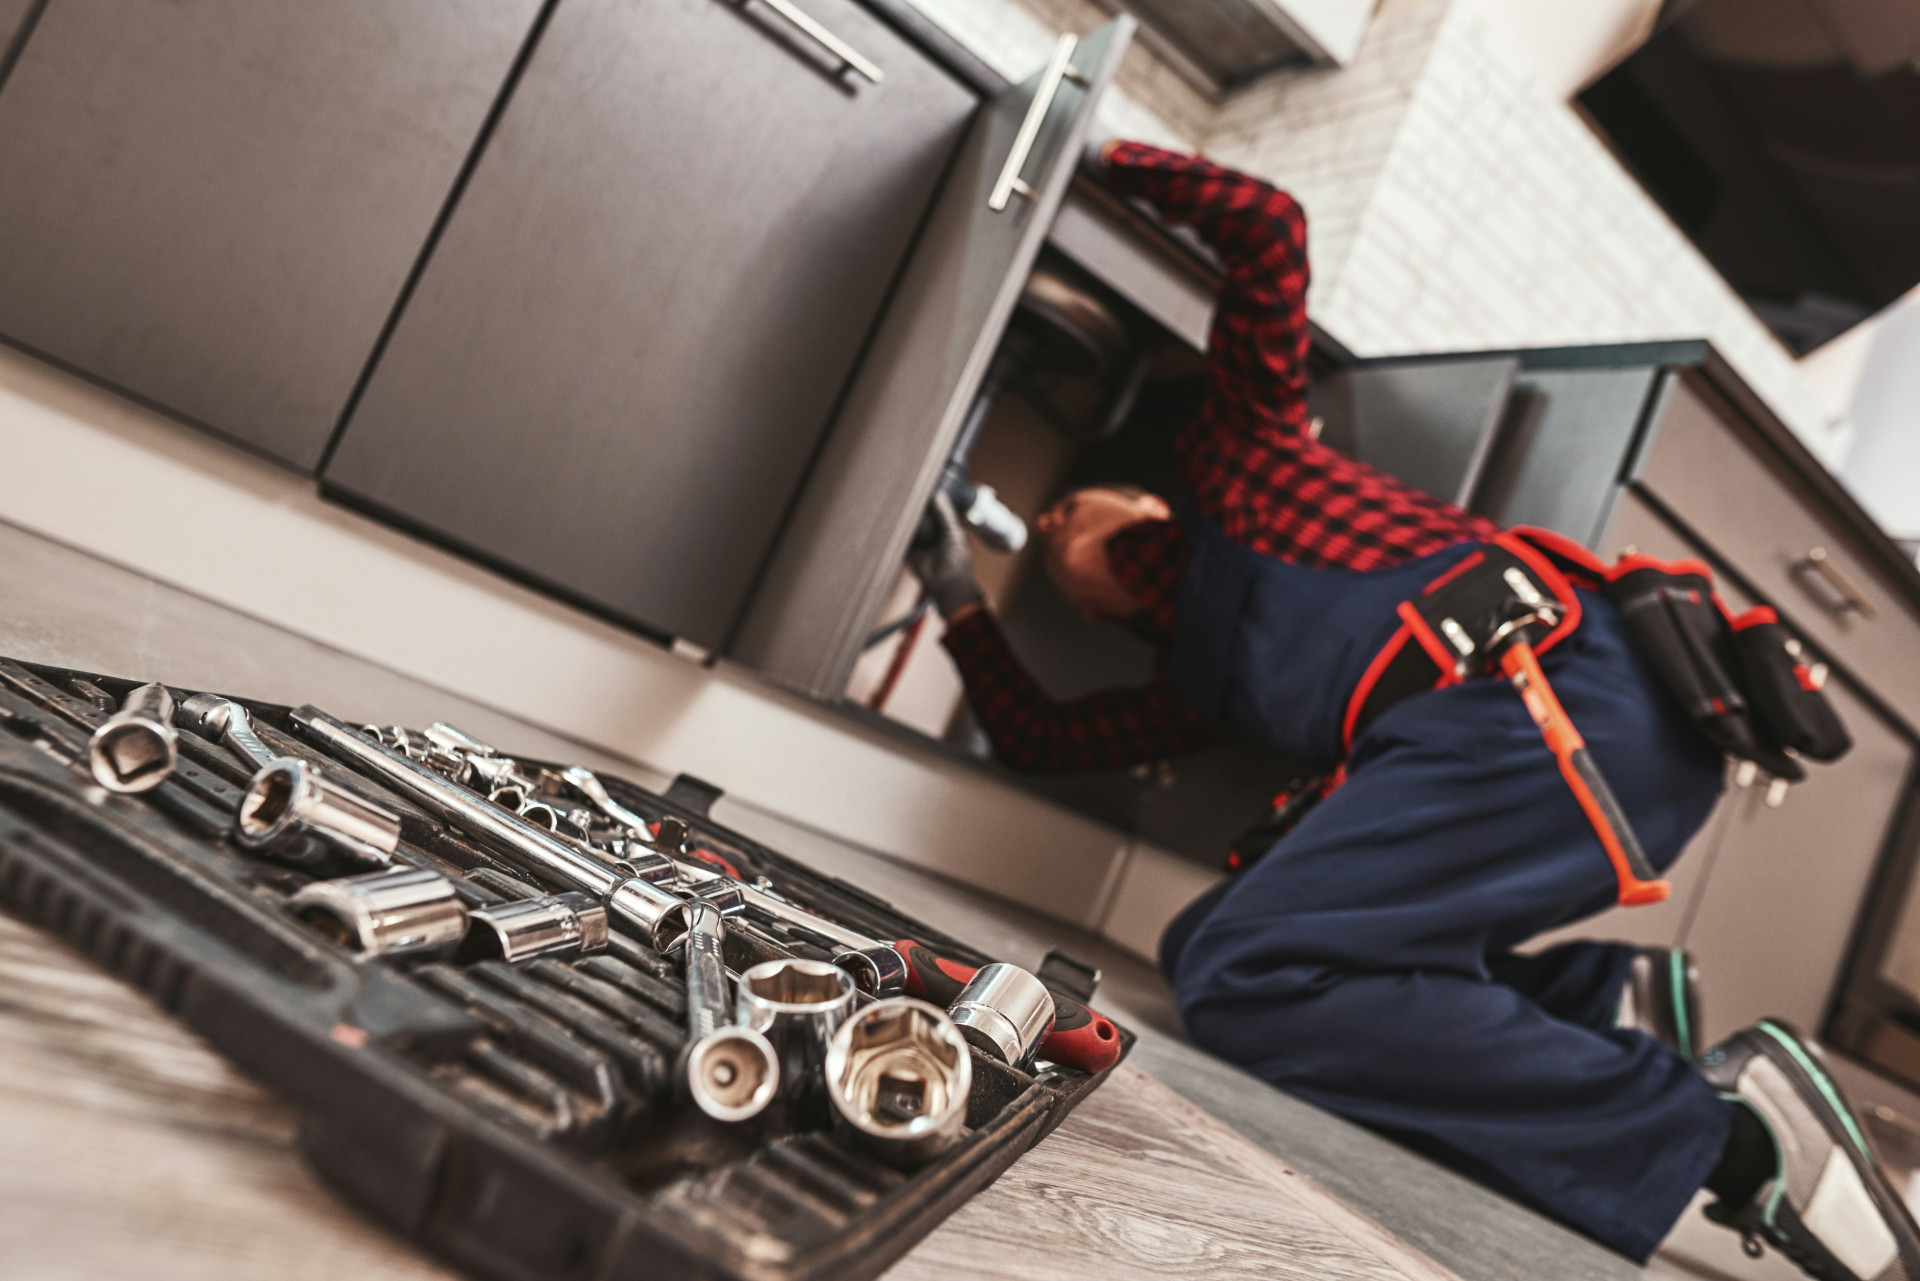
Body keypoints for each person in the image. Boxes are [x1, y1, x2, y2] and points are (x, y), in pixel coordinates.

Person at [909, 140, 1920, 1279]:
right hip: (1566, 745)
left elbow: (1266, 225)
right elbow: (1040, 736)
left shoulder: (1246, 461)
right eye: (1047, 553)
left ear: (1146, 498)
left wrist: (1091, 153)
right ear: (1097, 614)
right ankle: (1598, 1004)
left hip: (1555, 695)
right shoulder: (1189, 685)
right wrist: (957, 596)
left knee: (1246, 970)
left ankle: (1733, 1137)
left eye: (1066, 513)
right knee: (1217, 942)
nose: (1051, 530)